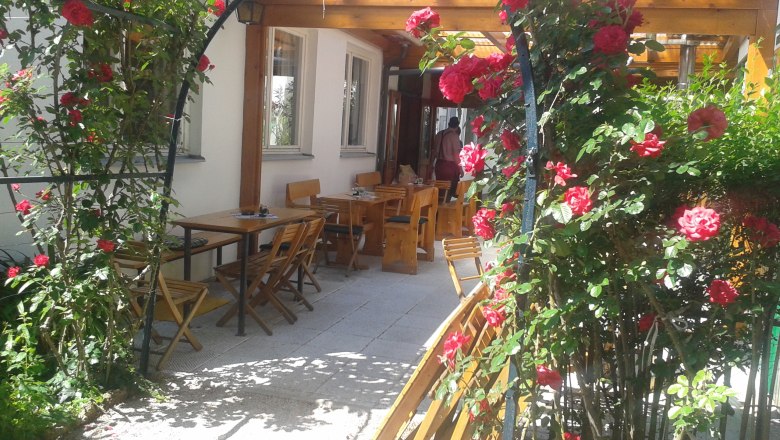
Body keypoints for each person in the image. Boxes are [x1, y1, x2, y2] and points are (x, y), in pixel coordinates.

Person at [433, 116, 463, 200]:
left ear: (449, 123)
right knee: (448, 192)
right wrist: (460, 169)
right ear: (457, 125)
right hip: (450, 166)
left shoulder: (439, 134)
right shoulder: (454, 136)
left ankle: (437, 206)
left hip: (439, 164)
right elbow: (456, 154)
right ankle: (445, 205)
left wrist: (431, 165)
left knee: (439, 189)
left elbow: (434, 151)